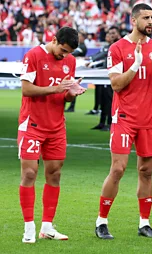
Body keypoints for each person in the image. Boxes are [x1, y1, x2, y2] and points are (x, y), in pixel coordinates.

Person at [94, 3, 152, 239]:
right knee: (118, 168)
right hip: (124, 117)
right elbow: (116, 84)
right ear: (133, 20)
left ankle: (144, 223)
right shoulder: (117, 48)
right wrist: (136, 64)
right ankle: (101, 221)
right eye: (146, 17)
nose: (150, 21)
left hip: (148, 119)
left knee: (146, 171)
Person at [18, 27, 85, 243]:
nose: (64, 56)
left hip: (56, 127)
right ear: (53, 39)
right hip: (32, 124)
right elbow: (26, 89)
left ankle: (47, 227)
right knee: (29, 174)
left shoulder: (70, 61)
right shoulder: (33, 55)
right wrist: (55, 89)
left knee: (54, 174)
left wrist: (70, 94)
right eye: (62, 50)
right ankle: (29, 227)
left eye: (68, 53)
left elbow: (64, 95)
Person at [90, 26, 122, 131]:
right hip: (105, 74)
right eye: (109, 33)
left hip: (113, 76)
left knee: (109, 99)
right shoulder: (110, 46)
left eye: (113, 33)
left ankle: (110, 123)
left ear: (117, 34)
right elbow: (102, 56)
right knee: (104, 99)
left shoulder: (119, 46)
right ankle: (102, 122)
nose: (111, 35)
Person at [65, 32, 88, 113]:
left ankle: (72, 106)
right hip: (74, 67)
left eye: (80, 36)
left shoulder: (82, 46)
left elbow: (75, 53)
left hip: (77, 68)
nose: (78, 38)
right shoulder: (79, 46)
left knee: (73, 86)